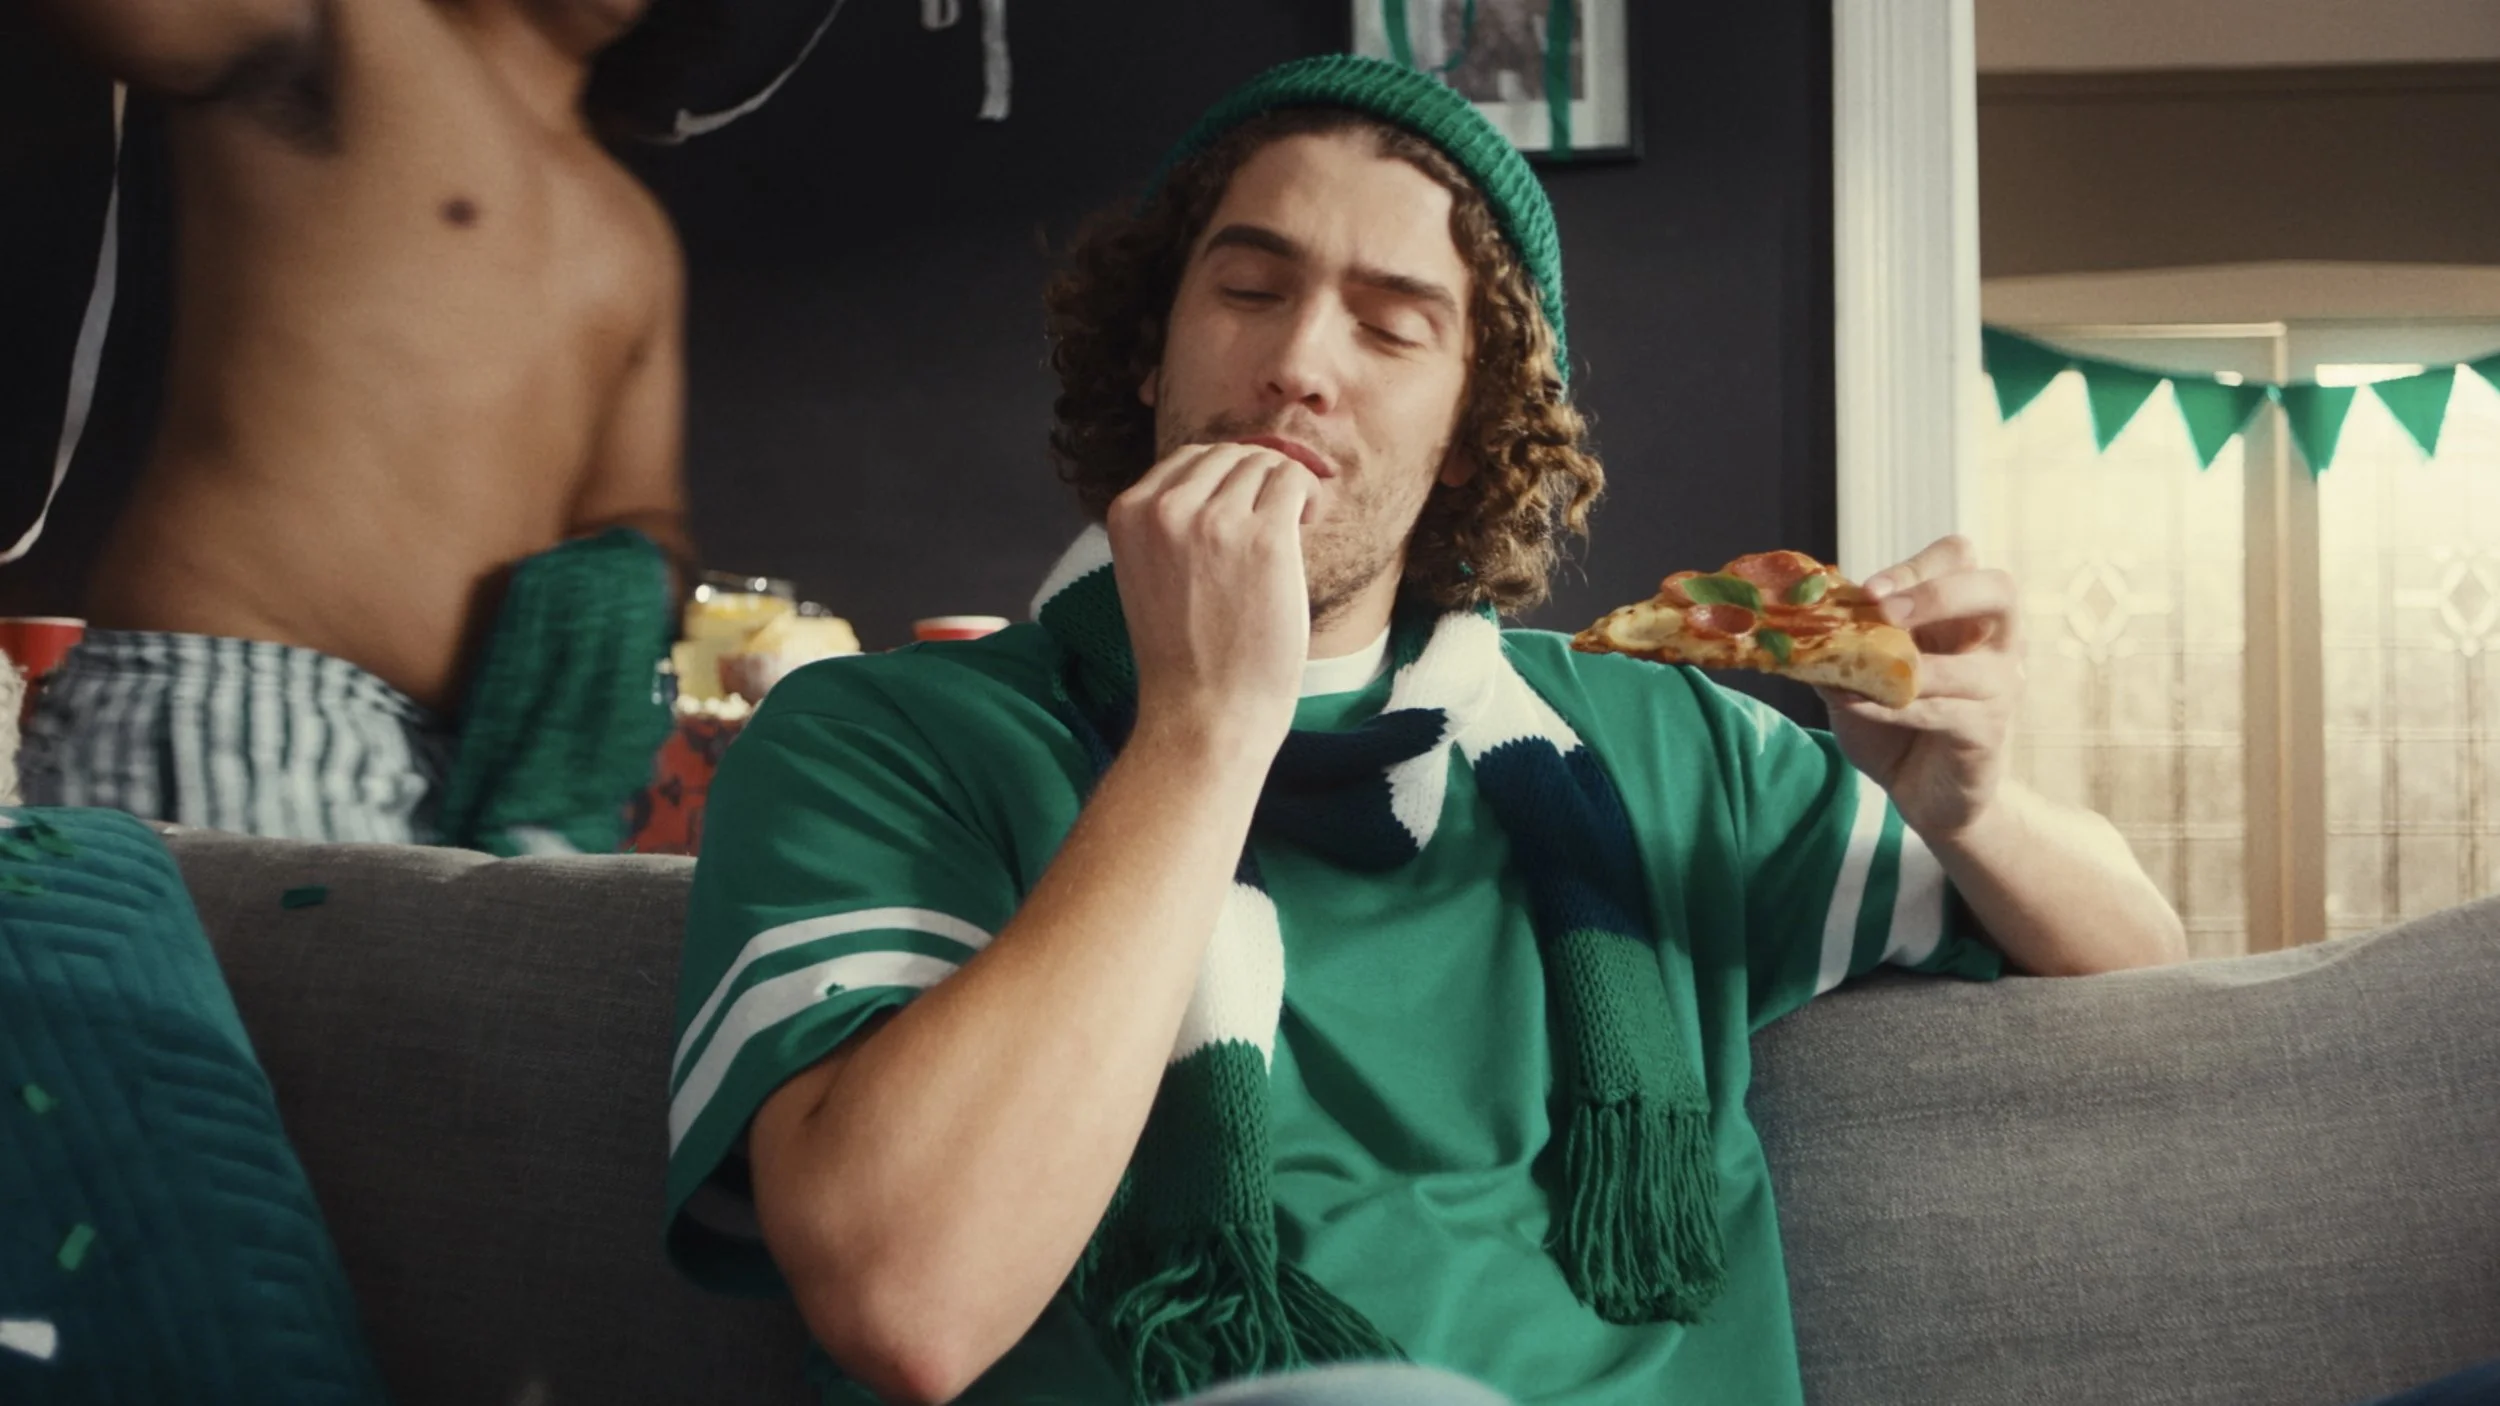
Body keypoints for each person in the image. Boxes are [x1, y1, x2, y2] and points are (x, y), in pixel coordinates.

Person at [663, 55, 2187, 1406]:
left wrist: (1975, 806)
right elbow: (906, 1303)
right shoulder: (881, 740)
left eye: (1392, 328)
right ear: (1150, 351)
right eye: (1248, 291)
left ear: (1469, 435)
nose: (1300, 364)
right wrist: (1205, 728)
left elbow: (2148, 968)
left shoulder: (1666, 742)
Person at [17, 0, 698, 845]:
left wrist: (626, 585)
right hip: (240, 711)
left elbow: (639, 509)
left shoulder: (637, 233)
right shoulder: (350, 29)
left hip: (473, 777)